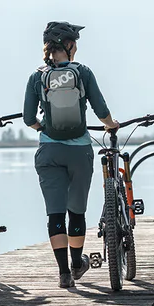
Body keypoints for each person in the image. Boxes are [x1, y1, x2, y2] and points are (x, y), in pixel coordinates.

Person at [24, 21, 119, 289]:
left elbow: (28, 117)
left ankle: (64, 273)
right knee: (76, 211)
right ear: (68, 44)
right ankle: (78, 264)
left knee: (55, 214)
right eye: (75, 42)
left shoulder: (37, 76)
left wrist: (42, 128)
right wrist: (111, 124)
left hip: (49, 151)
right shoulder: (83, 72)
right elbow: (101, 110)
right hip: (79, 151)